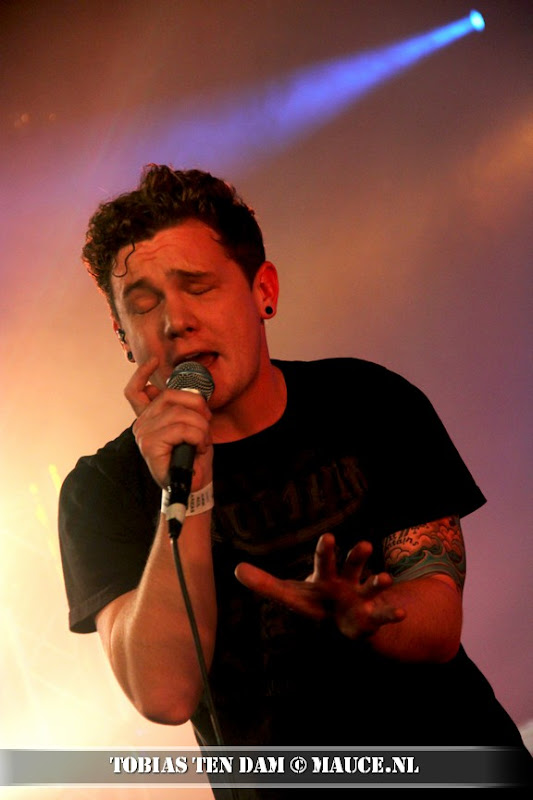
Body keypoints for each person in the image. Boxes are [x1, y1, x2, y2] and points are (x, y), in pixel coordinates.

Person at [59, 165, 531, 793]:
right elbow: (165, 694)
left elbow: (440, 623)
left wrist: (368, 615)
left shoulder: (369, 401)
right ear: (123, 336)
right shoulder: (102, 490)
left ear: (264, 291)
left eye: (198, 286)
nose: (175, 321)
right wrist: (191, 489)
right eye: (144, 305)